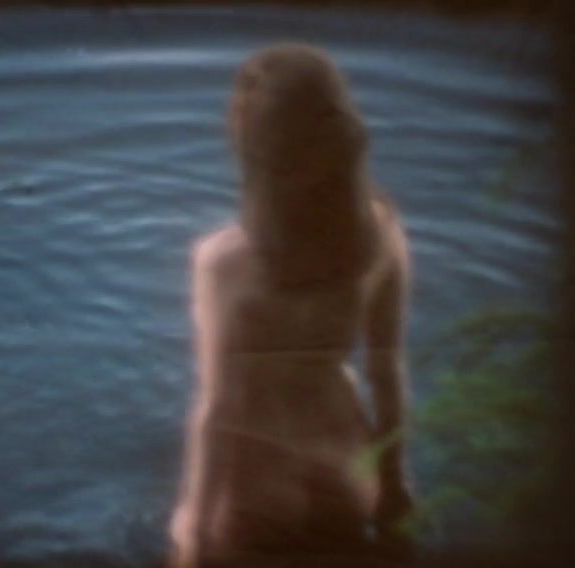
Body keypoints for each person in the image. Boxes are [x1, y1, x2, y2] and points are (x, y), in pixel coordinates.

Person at [169, 43, 414, 567]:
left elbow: (217, 407)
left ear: (255, 151)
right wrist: (395, 486)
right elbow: (386, 375)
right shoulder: (382, 237)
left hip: (255, 492)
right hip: (345, 476)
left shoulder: (223, 262)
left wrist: (191, 528)